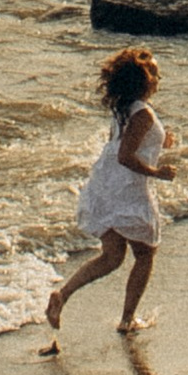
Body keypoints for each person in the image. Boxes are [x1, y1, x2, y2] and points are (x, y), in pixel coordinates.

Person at [45, 48, 175, 342]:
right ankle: (127, 320)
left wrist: (160, 142)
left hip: (106, 185)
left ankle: (61, 296)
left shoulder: (124, 108)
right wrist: (158, 173)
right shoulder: (143, 112)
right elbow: (126, 156)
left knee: (112, 256)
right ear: (142, 81)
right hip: (126, 188)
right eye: (153, 72)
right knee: (144, 253)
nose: (159, 77)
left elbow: (120, 145)